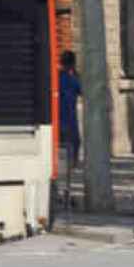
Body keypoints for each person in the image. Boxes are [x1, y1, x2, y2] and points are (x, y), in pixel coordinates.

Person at [58, 50, 82, 190]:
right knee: (72, 152)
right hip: (70, 122)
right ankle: (67, 187)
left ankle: (61, 188)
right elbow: (82, 90)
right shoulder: (73, 80)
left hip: (57, 123)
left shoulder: (57, 78)